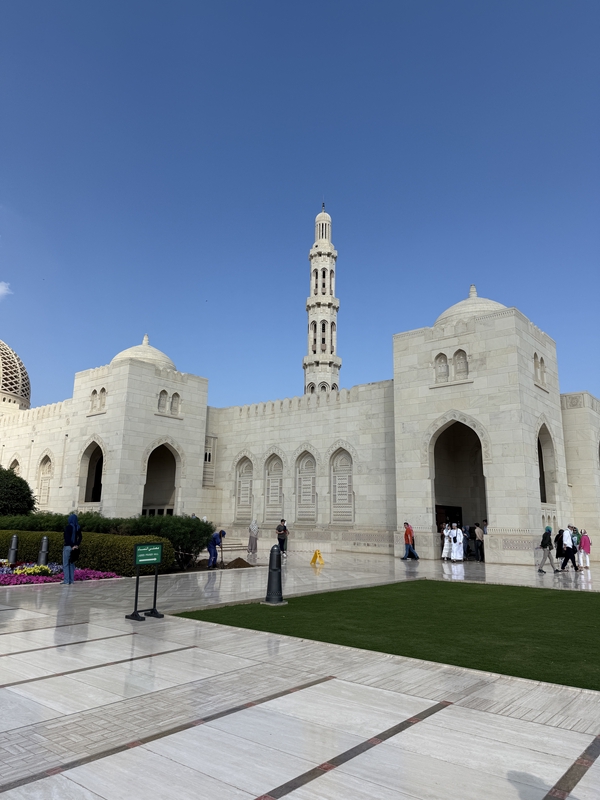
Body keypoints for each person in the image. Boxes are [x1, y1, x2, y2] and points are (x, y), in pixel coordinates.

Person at [62, 512, 82, 585]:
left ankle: (66, 581)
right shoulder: (78, 527)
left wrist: (72, 545)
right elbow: (80, 537)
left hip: (68, 547)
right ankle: (71, 580)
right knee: (71, 564)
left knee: (66, 564)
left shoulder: (68, 527)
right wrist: (76, 545)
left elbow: (67, 538)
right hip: (75, 548)